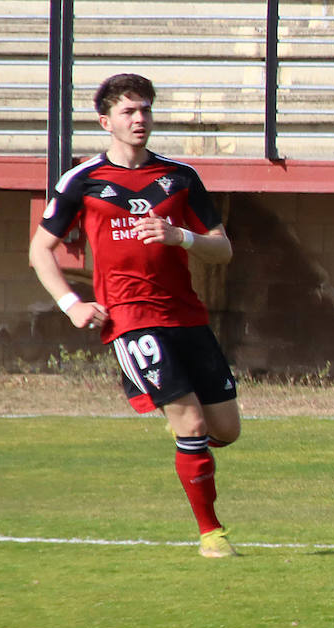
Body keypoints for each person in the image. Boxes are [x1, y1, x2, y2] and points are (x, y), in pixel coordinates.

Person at [28, 73, 242, 559]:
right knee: (189, 424)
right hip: (130, 320)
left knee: (225, 430)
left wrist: (180, 237)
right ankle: (212, 533)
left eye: (144, 109)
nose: (139, 119)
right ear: (106, 121)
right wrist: (71, 304)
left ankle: (184, 435)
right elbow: (41, 250)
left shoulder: (180, 177)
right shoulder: (81, 180)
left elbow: (223, 249)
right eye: (128, 111)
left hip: (187, 316)